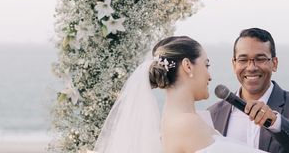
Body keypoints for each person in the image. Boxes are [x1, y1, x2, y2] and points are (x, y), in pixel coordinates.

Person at [93, 35, 265, 153]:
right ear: (188, 66)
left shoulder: (177, 120)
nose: (209, 75)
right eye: (206, 65)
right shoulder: (186, 124)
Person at [208, 28, 289, 153]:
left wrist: (274, 122)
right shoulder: (213, 114)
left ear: (274, 63)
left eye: (260, 59)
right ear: (234, 64)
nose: (251, 67)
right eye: (243, 60)